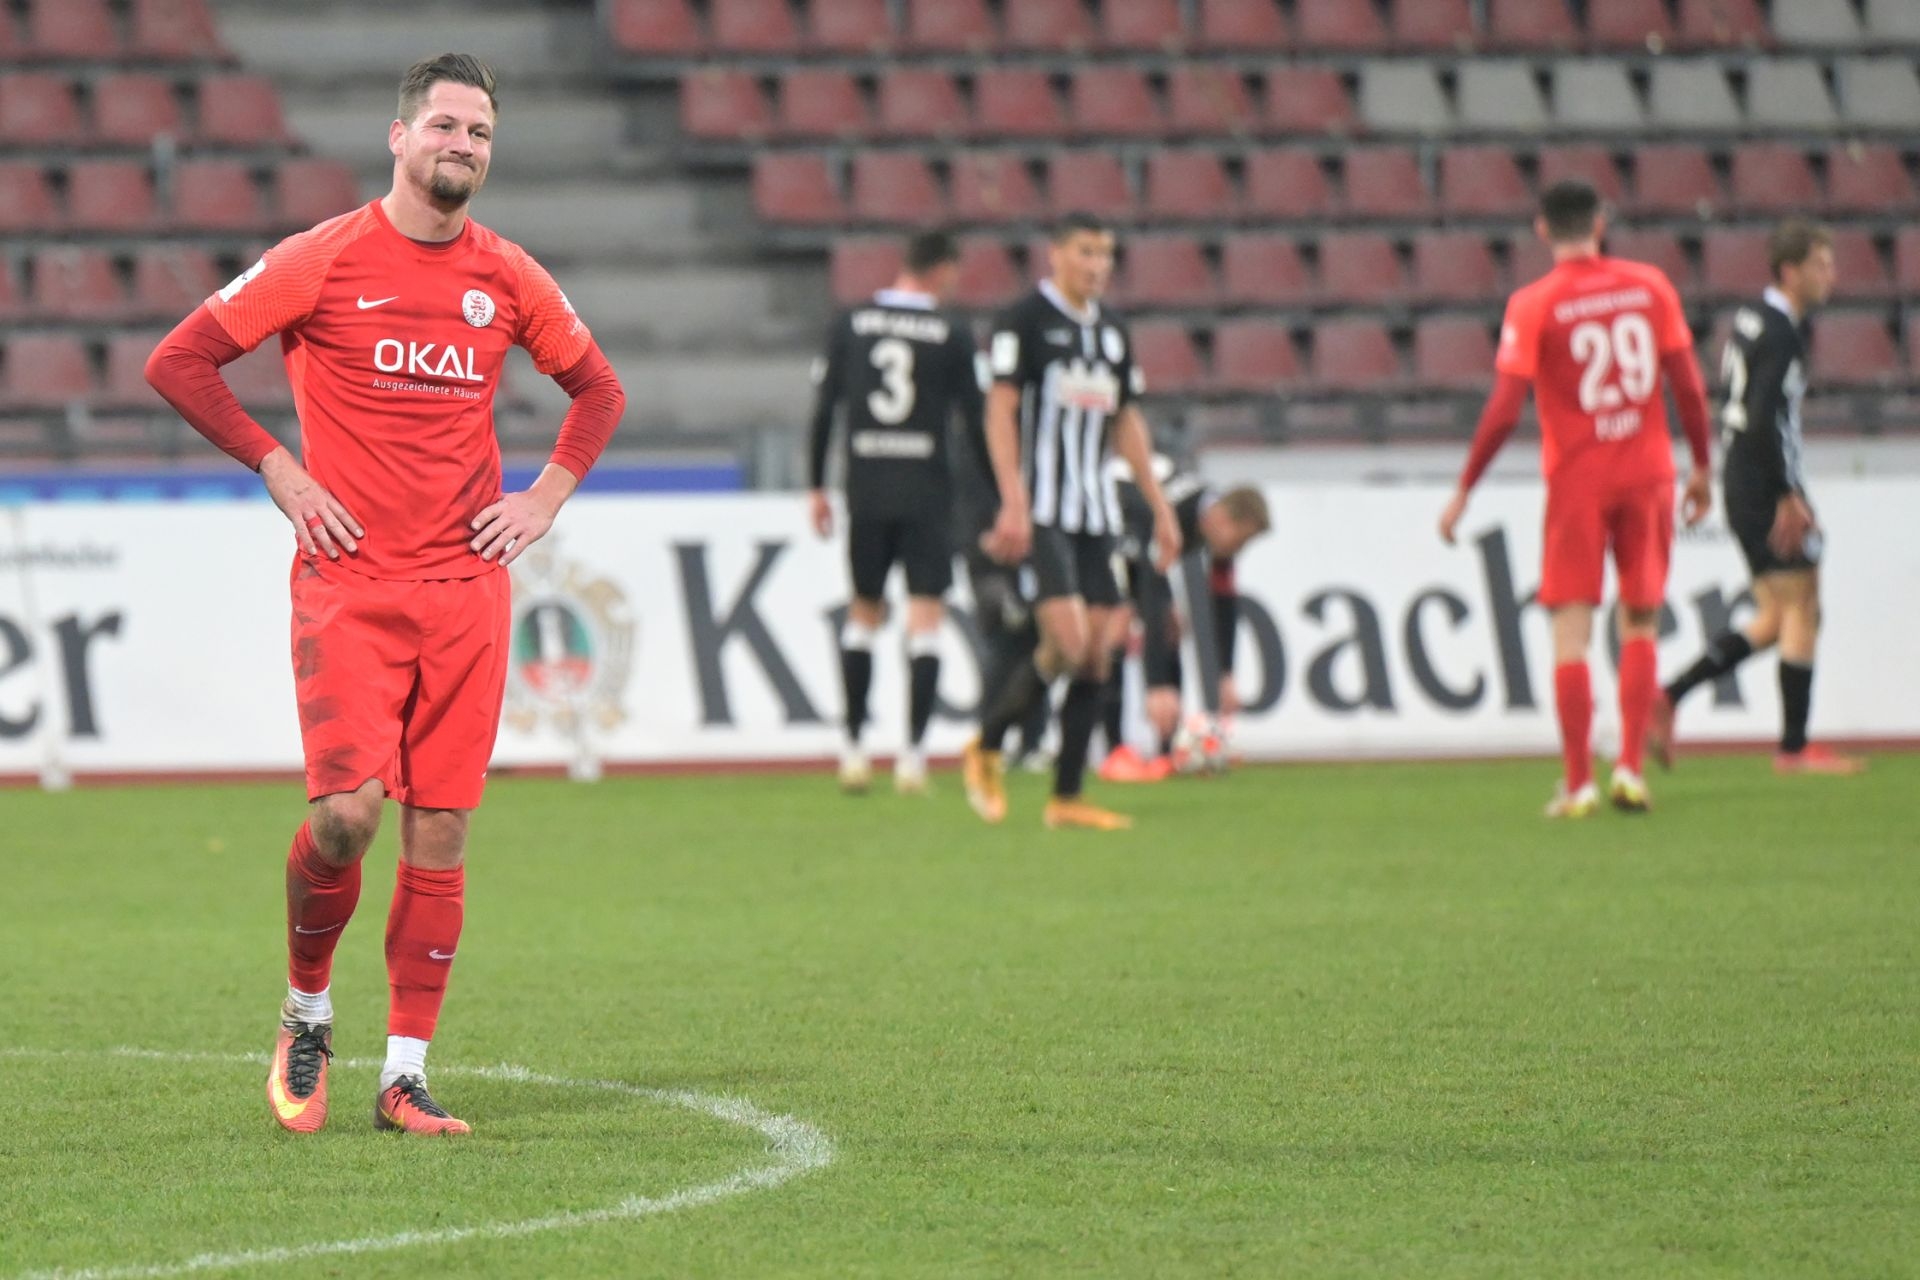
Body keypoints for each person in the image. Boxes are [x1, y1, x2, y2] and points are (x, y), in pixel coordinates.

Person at [146, 54, 624, 1136]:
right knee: (347, 814)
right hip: (350, 582)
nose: (463, 145)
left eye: (481, 134)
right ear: (399, 136)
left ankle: (403, 1072)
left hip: (466, 588)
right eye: (447, 125)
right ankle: (305, 1008)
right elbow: (181, 360)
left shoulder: (508, 276)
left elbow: (598, 389)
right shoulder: (323, 257)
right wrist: (279, 465)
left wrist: (545, 494)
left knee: (442, 830)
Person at [1439, 179, 1712, 818]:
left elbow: (1506, 409)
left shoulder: (1534, 303)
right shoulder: (1651, 285)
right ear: (1601, 222)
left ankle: (1577, 781)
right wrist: (1701, 465)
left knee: (1571, 628)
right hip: (1649, 472)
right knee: (1641, 619)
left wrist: (1464, 489)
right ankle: (1631, 770)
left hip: (1578, 482)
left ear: (1541, 229)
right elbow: (1691, 389)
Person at [962, 211, 1181, 831]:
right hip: (1046, 508)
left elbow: (1127, 423)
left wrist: (1159, 506)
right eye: (1085, 252)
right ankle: (987, 744)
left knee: (1099, 656)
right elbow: (1000, 412)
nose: (1098, 266)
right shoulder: (1024, 321)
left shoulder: (1112, 331)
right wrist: (1012, 498)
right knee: (1072, 642)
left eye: (1106, 255)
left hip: (1095, 509)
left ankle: (1064, 798)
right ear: (1055, 255)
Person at [1651, 220, 1865, 776]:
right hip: (1763, 482)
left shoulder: (1752, 320)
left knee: (1776, 616)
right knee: (1801, 605)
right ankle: (1794, 749)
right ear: (1790, 271)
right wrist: (1787, 494)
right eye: (1821, 264)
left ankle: (1668, 696)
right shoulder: (1782, 333)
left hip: (1743, 477)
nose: (1831, 275)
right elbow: (1768, 416)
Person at [806, 229, 985, 794]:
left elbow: (825, 409)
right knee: (924, 620)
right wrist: (1003, 494)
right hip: (928, 489)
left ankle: (854, 751)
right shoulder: (951, 332)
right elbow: (977, 421)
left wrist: (816, 485)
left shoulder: (851, 323)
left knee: (863, 615)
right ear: (941, 269)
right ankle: (912, 759)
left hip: (867, 486)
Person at [1099, 458, 1271, 782]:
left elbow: (1223, 599)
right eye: (1241, 540)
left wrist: (1225, 674)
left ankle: (1166, 753)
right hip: (1105, 517)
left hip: (1136, 539)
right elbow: (1150, 582)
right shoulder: (1176, 512)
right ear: (1220, 518)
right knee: (1117, 626)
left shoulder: (1208, 517)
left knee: (1168, 625)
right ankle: (1115, 752)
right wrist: (1156, 686)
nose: (1239, 549)